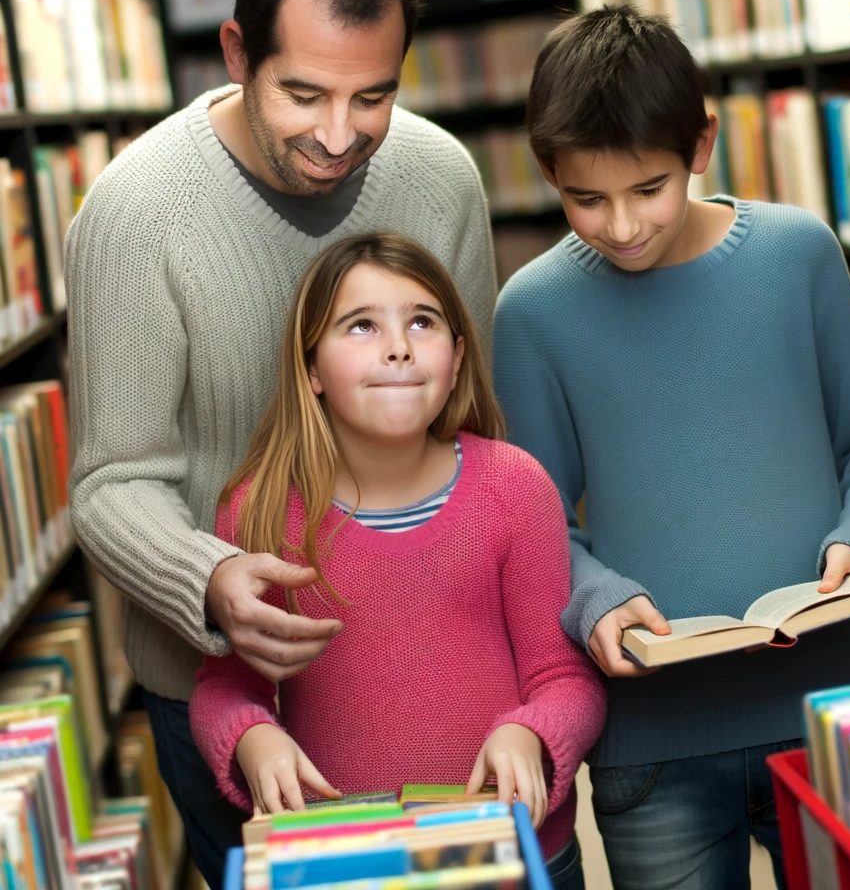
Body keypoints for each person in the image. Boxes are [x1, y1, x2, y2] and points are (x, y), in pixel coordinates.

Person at [65, 0, 497, 889]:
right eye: (303, 94)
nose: (341, 135)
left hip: (428, 664)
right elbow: (110, 482)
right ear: (234, 53)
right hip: (226, 694)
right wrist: (211, 578)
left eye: (373, 96)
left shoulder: (442, 179)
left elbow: (475, 423)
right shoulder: (135, 214)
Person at [492, 5, 850, 890]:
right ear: (547, 172)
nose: (618, 225)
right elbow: (532, 526)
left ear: (701, 144)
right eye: (585, 198)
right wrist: (598, 595)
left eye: (646, 188)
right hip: (653, 746)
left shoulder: (798, 254)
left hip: (828, 708)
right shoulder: (532, 313)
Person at [188, 233, 605, 890]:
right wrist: (250, 736)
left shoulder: (516, 488)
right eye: (361, 325)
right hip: (344, 861)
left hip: (513, 855)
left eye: (422, 321)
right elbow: (225, 688)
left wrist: (532, 732)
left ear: (459, 354)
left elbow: (567, 680)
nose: (398, 346)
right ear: (312, 370)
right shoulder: (259, 510)